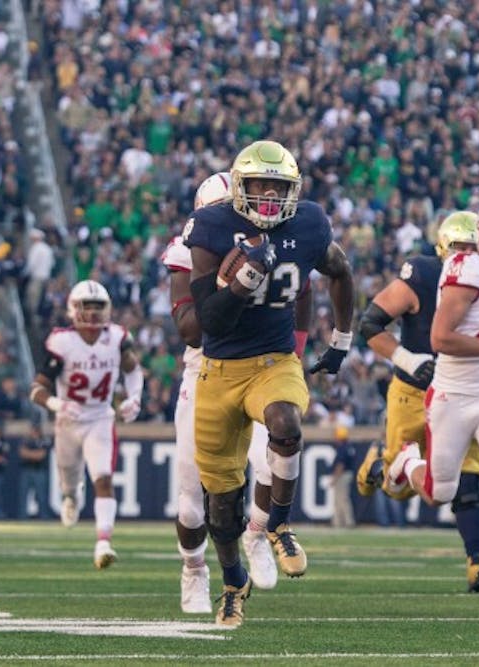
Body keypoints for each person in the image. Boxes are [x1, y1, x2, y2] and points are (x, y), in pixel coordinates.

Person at [184, 140, 356, 626]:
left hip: (274, 361)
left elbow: (340, 270)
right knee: (220, 505)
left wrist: (342, 339)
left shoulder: (307, 223)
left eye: (278, 187)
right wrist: (242, 280)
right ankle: (234, 582)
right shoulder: (211, 227)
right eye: (259, 185)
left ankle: (278, 523)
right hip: (219, 370)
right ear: (240, 186)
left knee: (286, 423)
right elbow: (209, 322)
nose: (268, 196)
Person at [164, 171, 308, 614]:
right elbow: (190, 332)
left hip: (261, 364)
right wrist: (236, 282)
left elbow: (302, 291)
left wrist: (298, 349)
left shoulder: (279, 238)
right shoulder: (194, 247)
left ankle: (260, 532)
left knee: (273, 461)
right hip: (205, 372)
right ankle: (194, 569)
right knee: (193, 503)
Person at [387, 197, 479, 601]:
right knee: (440, 493)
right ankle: (408, 460)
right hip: (452, 392)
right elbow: (441, 340)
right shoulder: (464, 267)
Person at [357, 211, 479, 592]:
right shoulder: (422, 275)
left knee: (470, 478)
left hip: (463, 391)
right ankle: (378, 465)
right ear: (443, 250)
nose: (468, 256)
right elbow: (370, 324)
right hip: (413, 391)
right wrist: (408, 359)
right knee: (399, 487)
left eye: (475, 249)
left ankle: (476, 562)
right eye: (460, 249)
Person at [30, 279, 143, 569]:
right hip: (67, 420)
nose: (92, 313)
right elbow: (37, 389)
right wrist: (58, 404)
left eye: (98, 307)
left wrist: (134, 397)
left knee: (103, 478)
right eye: (86, 306)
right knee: (69, 480)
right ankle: (70, 495)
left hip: (100, 418)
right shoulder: (61, 342)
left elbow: (133, 370)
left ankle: (103, 542)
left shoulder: (117, 337)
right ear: (73, 309)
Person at [14, 415, 54, 520]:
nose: (33, 431)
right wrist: (33, 454)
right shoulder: (26, 440)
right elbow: (22, 453)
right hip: (27, 470)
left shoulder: (44, 441)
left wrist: (29, 454)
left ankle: (43, 516)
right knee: (23, 496)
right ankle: (22, 517)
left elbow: (41, 456)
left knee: (41, 496)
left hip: (38, 471)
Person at [328, 426, 356, 529]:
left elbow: (340, 465)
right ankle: (338, 522)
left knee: (342, 499)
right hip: (346, 475)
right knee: (340, 499)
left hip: (342, 476)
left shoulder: (342, 448)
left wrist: (334, 478)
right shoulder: (349, 447)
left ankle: (347, 522)